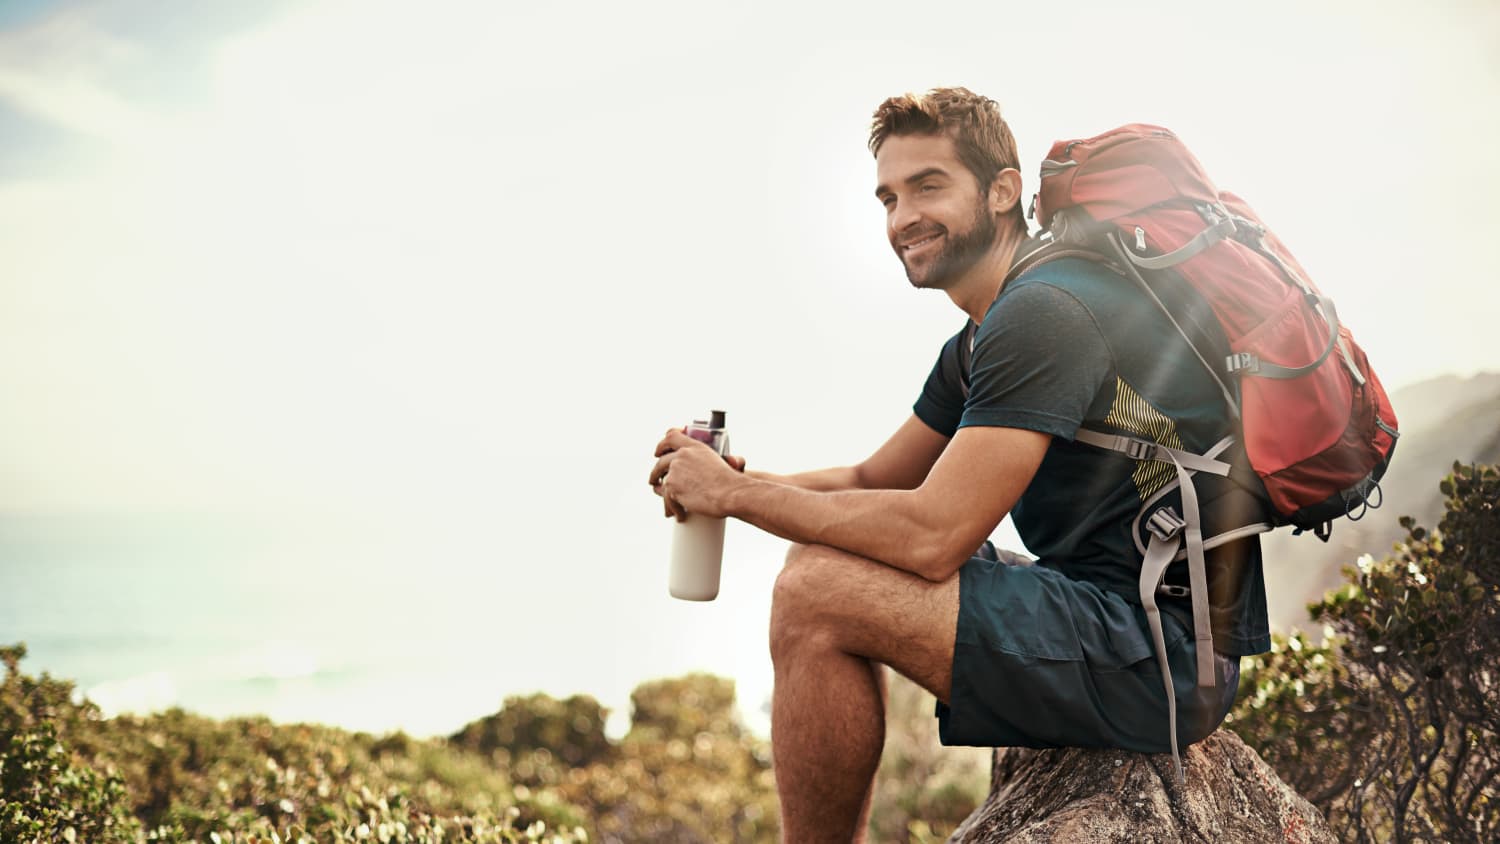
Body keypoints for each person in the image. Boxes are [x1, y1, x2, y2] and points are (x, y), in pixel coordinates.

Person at [648, 87, 1270, 843]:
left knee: (817, 591)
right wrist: (732, 486)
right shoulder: (986, 334)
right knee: (823, 555)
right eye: (888, 196)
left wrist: (738, 498)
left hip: (1163, 658)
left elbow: (932, 533)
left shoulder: (1046, 312)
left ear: (1003, 191)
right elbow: (872, 484)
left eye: (929, 186)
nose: (902, 216)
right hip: (1114, 617)